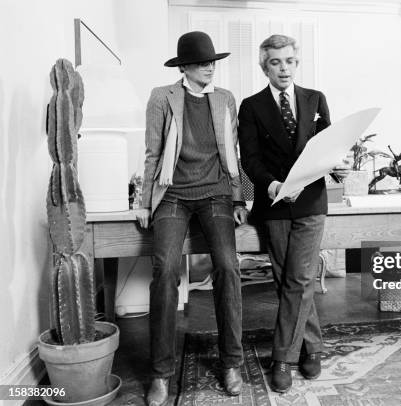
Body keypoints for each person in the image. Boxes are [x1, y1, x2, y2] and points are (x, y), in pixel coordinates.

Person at [135, 31, 248, 404]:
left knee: (229, 267)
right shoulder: (162, 97)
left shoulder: (225, 99)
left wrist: (239, 197)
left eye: (212, 62)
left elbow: (234, 153)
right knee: (165, 269)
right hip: (174, 195)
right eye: (202, 62)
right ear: (184, 66)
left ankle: (231, 361)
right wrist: (144, 202)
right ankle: (161, 374)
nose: (210, 68)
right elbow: (153, 153)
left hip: (215, 192)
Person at [238, 34, 349, 393]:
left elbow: (326, 148)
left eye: (289, 61)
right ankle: (312, 348)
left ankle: (282, 358)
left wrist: (337, 167)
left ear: (296, 63)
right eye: (275, 62)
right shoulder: (251, 106)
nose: (284, 68)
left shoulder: (315, 99)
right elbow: (250, 159)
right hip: (274, 203)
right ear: (264, 66)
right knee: (291, 282)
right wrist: (270, 185)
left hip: (311, 202)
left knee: (298, 280)